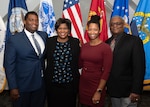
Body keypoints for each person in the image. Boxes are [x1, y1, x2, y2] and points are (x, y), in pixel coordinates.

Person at [4, 11, 48, 107]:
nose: (34, 23)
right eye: (31, 20)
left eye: (36, 20)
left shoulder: (43, 35)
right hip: (22, 86)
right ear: (24, 21)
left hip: (40, 85)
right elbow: (9, 65)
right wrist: (13, 87)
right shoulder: (14, 40)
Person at [105, 16, 145, 107]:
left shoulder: (134, 41)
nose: (115, 26)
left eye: (118, 23)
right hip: (112, 90)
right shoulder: (106, 43)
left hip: (129, 92)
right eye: (112, 24)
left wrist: (136, 90)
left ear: (123, 25)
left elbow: (139, 67)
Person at [44, 18, 80, 107]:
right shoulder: (50, 42)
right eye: (60, 28)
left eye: (65, 28)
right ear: (56, 30)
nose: (62, 31)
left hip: (70, 84)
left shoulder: (75, 42)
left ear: (69, 30)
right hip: (53, 84)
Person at [79, 15, 113, 107]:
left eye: (95, 29)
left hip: (97, 85)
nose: (92, 32)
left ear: (99, 30)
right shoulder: (84, 46)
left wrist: (99, 91)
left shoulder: (105, 48)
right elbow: (79, 64)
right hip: (83, 85)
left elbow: (106, 71)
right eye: (90, 29)